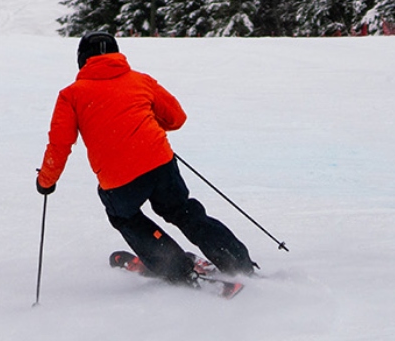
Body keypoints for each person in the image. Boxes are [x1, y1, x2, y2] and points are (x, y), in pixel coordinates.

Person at [35, 32, 254, 284]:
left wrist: (46, 181)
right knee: (183, 211)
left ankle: (176, 267)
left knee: (125, 217)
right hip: (160, 163)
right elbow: (176, 118)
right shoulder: (140, 80)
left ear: (82, 60)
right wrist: (144, 123)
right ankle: (239, 262)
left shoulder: (71, 95)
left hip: (119, 179)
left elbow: (59, 145)